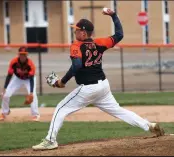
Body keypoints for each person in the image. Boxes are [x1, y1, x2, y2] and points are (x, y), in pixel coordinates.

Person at [32, 8, 164, 150]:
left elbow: (76, 65)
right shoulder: (99, 43)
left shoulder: (76, 46)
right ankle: (149, 125)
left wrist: (62, 82)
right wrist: (113, 15)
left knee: (60, 109)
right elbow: (120, 34)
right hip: (103, 87)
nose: (74, 32)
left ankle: (50, 140)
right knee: (119, 111)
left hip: (88, 89)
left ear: (83, 32)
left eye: (77, 30)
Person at [0, 47, 40, 121]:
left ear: (27, 55)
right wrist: (4, 89)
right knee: (5, 95)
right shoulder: (14, 62)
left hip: (28, 79)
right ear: (18, 54)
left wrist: (30, 92)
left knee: (33, 95)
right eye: (21, 54)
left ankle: (35, 115)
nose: (22, 56)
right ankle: (5, 112)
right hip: (17, 79)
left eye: (24, 54)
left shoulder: (30, 64)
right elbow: (9, 75)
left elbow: (31, 79)